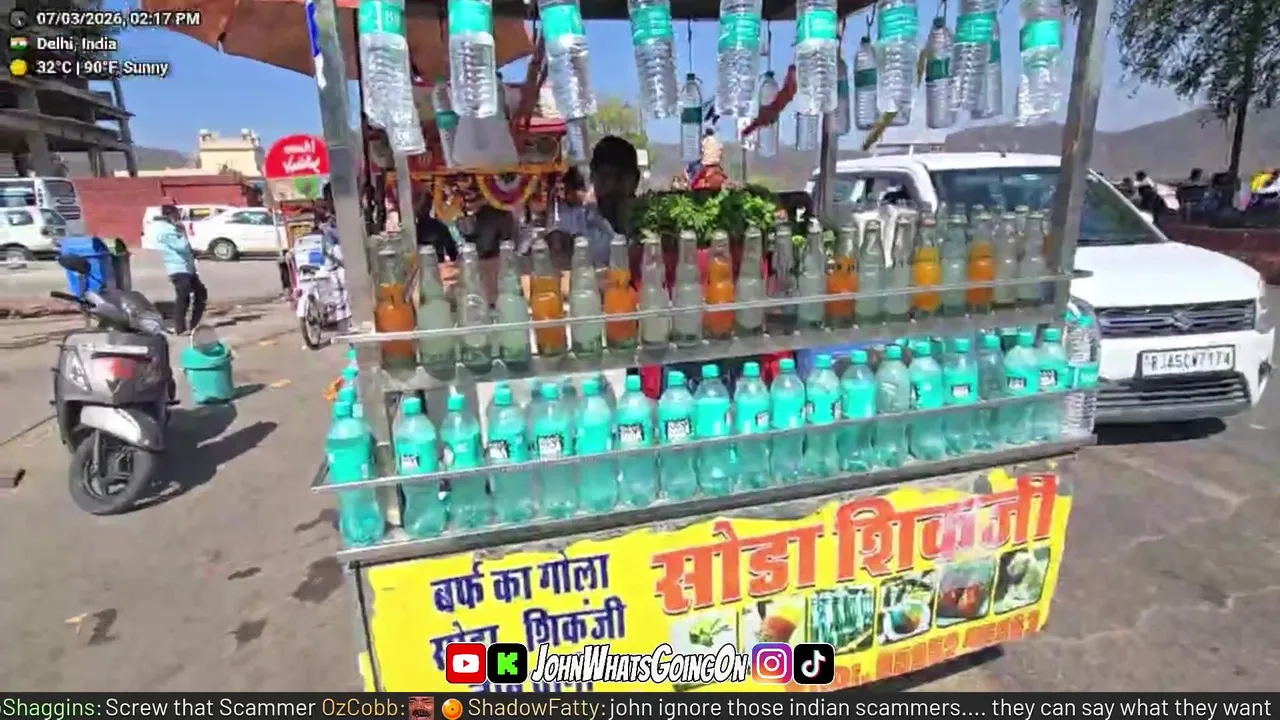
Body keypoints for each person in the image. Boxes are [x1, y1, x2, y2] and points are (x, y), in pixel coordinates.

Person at [549, 135, 641, 267]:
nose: (612, 184)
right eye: (605, 175)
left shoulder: (653, 225)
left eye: (620, 176)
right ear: (592, 177)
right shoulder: (577, 225)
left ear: (636, 179)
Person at [153, 200, 207, 335]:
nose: (178, 216)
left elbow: (186, 247)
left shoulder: (174, 227)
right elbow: (182, 246)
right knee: (183, 296)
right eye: (176, 214)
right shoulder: (165, 229)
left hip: (187, 268)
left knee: (200, 293)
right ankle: (180, 328)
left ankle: (193, 324)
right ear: (169, 215)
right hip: (177, 268)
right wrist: (182, 231)